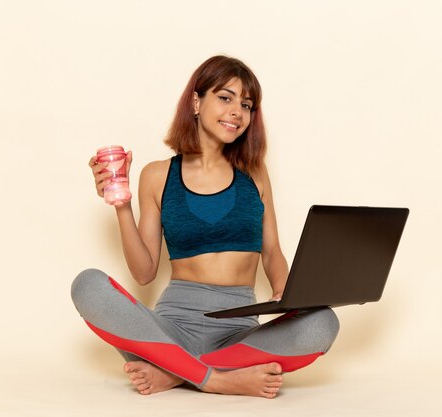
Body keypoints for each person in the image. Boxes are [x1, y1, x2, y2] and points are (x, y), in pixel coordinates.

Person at [71, 55, 339, 399]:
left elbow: (273, 253)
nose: (237, 112)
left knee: (324, 322)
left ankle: (177, 371)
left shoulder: (254, 173)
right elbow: (143, 273)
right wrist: (121, 206)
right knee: (88, 285)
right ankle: (216, 379)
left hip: (239, 334)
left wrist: (284, 293)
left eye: (246, 105)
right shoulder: (157, 175)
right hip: (169, 328)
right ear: (196, 102)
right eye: (225, 98)